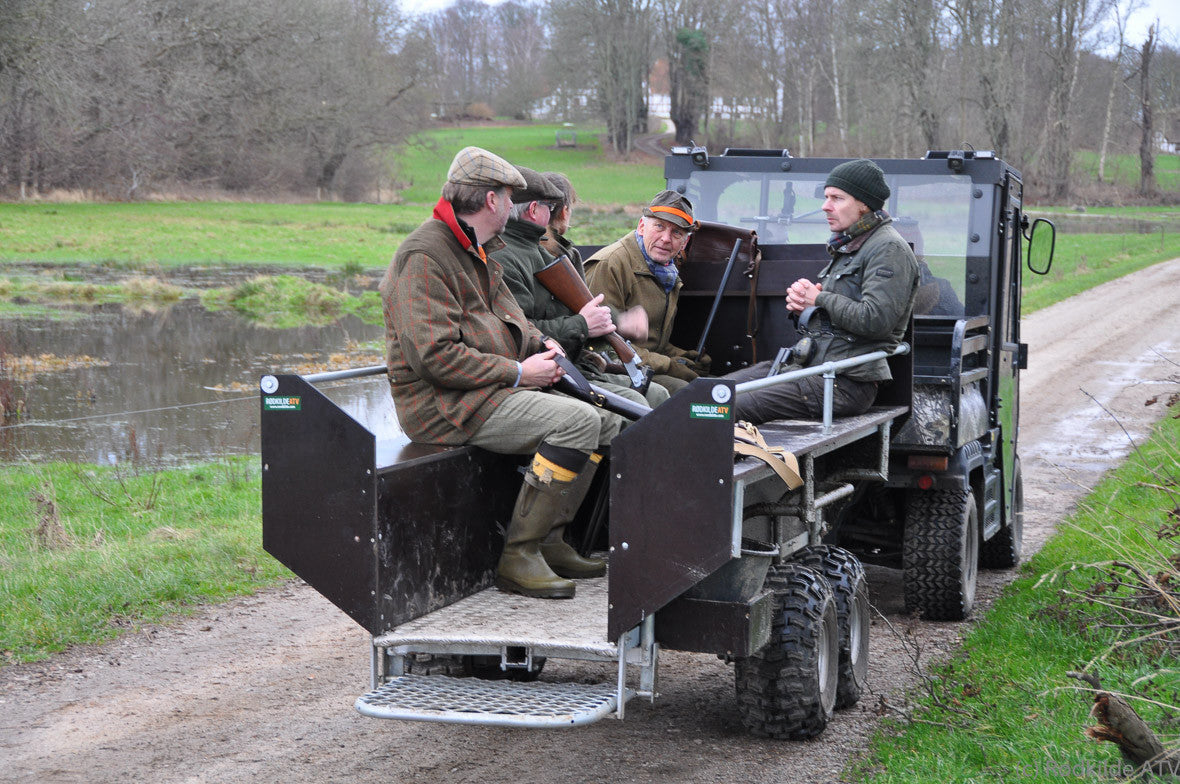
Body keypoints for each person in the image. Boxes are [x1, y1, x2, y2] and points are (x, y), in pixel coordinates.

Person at [379, 146, 625, 600]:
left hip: (483, 390)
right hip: (444, 405)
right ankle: (519, 555)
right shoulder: (425, 255)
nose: (514, 208)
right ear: (491, 201)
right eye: (510, 198)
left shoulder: (479, 248)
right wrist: (517, 371)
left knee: (608, 419)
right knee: (576, 421)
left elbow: (513, 318)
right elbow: (433, 358)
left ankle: (551, 539)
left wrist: (543, 344)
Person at [725, 158, 919, 423]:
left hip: (844, 383)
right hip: (810, 368)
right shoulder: (852, 245)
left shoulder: (888, 249)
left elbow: (877, 320)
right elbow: (836, 315)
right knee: (709, 394)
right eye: (827, 197)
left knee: (724, 408)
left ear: (864, 205)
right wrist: (805, 306)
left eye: (837, 198)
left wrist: (819, 298)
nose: (825, 206)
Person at [491, 167, 667, 409]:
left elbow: (579, 305)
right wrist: (584, 325)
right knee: (637, 404)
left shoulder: (535, 251)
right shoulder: (511, 256)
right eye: (547, 207)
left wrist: (614, 322)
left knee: (656, 396)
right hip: (543, 374)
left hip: (566, 365)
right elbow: (518, 332)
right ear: (534, 210)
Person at [584, 190, 708, 394]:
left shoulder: (667, 272)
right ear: (642, 227)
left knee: (708, 383)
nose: (666, 239)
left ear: (684, 243)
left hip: (642, 364)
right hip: (609, 369)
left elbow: (652, 343)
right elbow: (603, 346)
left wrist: (682, 357)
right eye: (659, 226)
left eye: (677, 232)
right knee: (688, 393)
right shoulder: (610, 264)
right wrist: (670, 365)